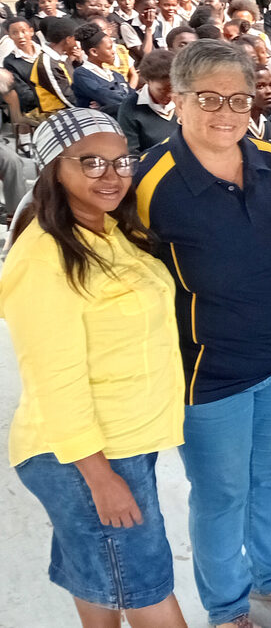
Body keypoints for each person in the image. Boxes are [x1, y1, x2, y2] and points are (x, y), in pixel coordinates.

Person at [134, 40, 271, 628]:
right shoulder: (151, 184)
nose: (226, 113)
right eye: (209, 99)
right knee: (221, 494)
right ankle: (227, 606)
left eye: (239, 99)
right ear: (177, 100)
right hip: (209, 375)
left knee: (270, 476)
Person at [2, 108, 188, 628]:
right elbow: (53, 380)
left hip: (122, 441)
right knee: (146, 590)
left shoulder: (107, 230)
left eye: (121, 161)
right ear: (54, 170)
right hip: (86, 455)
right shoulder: (45, 257)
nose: (113, 175)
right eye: (91, 162)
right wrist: (100, 478)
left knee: (101, 578)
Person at [117, 50, 181, 153]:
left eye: (173, 88)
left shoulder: (185, 99)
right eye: (162, 90)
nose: (170, 95)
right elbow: (131, 153)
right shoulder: (130, 108)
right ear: (147, 82)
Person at [71, 22, 132, 112]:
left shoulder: (116, 75)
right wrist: (111, 103)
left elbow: (132, 96)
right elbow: (105, 96)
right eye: (109, 48)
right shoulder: (82, 74)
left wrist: (105, 107)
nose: (113, 52)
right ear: (94, 52)